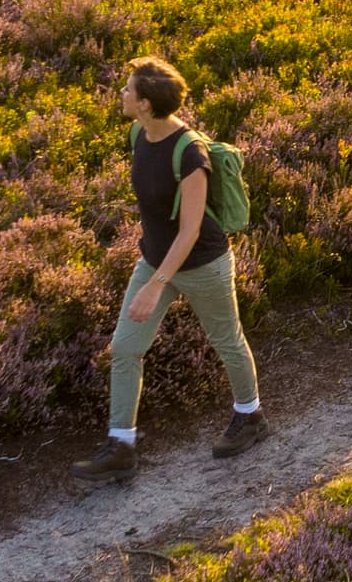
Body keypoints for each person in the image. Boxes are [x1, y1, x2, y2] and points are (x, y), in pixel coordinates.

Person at [107, 56, 261, 464]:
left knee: (226, 341)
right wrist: (153, 271)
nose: (121, 94)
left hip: (203, 265)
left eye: (128, 90)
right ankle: (121, 444)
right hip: (156, 261)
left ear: (145, 103)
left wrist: (154, 286)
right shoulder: (138, 134)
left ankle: (250, 416)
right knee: (124, 347)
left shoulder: (190, 154)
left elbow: (190, 230)